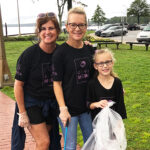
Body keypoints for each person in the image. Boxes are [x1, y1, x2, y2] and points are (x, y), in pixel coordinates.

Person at [12, 12, 61, 150]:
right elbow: (18, 85)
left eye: (51, 28)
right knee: (43, 142)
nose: (47, 32)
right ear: (38, 32)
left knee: (47, 141)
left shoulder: (61, 52)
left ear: (57, 31)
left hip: (51, 104)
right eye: (43, 29)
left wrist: (87, 46)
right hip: (32, 103)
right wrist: (22, 113)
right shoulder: (28, 55)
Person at [52, 7, 94, 150]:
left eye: (81, 25)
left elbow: (101, 70)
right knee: (70, 145)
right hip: (68, 109)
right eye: (73, 25)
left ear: (86, 27)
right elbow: (56, 83)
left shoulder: (90, 50)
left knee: (92, 142)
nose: (77, 28)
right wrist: (63, 109)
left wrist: (115, 85)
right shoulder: (60, 53)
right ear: (67, 27)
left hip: (87, 107)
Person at [86, 48, 127, 121]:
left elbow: (120, 105)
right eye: (101, 63)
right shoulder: (92, 84)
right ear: (95, 66)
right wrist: (96, 104)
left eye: (108, 62)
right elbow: (88, 104)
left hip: (114, 122)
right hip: (98, 124)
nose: (105, 66)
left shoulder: (117, 82)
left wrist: (119, 122)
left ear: (112, 63)